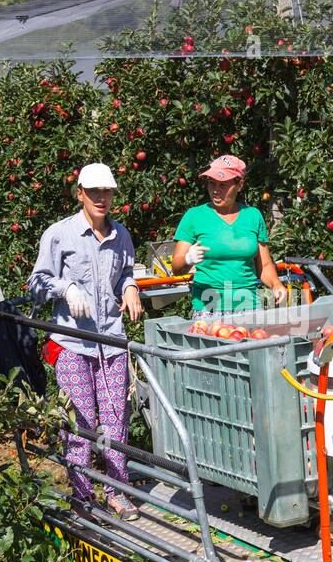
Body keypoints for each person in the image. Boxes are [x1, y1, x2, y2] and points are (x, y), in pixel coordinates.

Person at [28, 163, 143, 519]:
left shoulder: (121, 235)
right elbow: (36, 283)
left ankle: (116, 492)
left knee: (115, 420)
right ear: (80, 193)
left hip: (111, 340)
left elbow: (125, 271)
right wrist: (66, 287)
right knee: (82, 424)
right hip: (72, 342)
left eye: (107, 192)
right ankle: (81, 495)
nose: (101, 198)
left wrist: (131, 287)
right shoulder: (60, 235)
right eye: (94, 192)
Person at [171, 154, 286, 317]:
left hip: (249, 307)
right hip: (209, 309)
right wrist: (188, 260)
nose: (216, 190)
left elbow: (265, 265)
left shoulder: (253, 216)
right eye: (211, 183)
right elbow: (176, 267)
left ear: (239, 185)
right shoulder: (194, 216)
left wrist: (276, 285)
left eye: (223, 184)